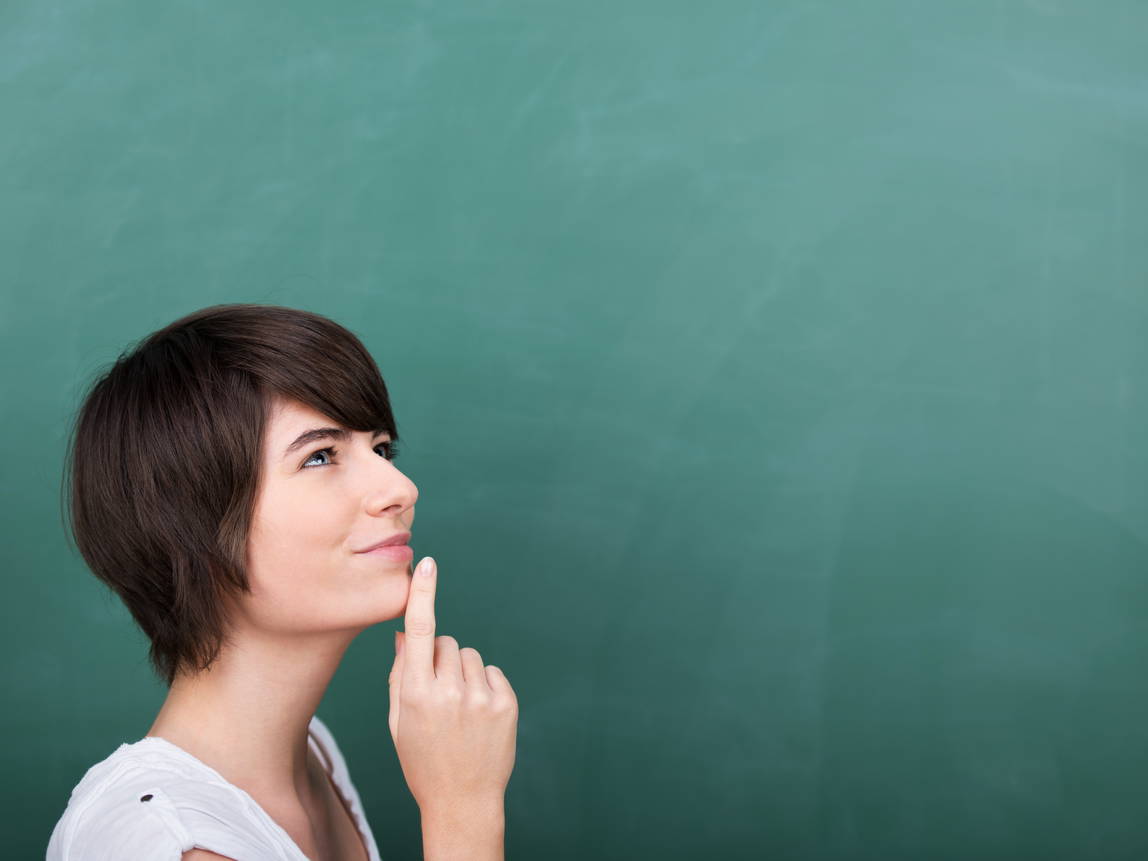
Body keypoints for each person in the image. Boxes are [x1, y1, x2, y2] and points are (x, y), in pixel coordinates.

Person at [46, 304, 518, 860]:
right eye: (320, 456)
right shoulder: (175, 844)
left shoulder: (314, 754)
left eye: (380, 448)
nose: (401, 488)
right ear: (189, 526)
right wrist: (462, 807)